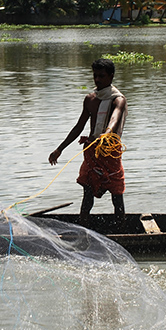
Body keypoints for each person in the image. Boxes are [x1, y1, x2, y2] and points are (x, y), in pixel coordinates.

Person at [48, 58, 128, 226]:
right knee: (88, 190)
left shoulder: (118, 99)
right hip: (92, 151)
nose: (97, 80)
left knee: (116, 193)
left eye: (102, 76)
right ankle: (84, 228)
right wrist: (59, 149)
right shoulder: (90, 99)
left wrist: (106, 134)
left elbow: (115, 119)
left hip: (109, 152)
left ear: (111, 76)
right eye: (95, 76)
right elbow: (79, 126)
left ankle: (121, 229)